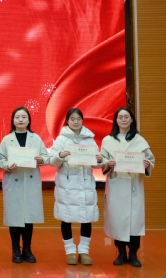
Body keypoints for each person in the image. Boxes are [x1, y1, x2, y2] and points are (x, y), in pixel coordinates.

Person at [101, 107, 155, 267]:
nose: (124, 120)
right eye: (120, 117)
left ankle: (133, 254)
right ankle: (121, 253)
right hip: (116, 185)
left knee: (134, 222)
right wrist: (108, 163)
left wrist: (147, 164)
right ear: (116, 120)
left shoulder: (140, 140)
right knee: (118, 221)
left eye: (127, 117)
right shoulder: (108, 141)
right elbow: (102, 160)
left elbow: (150, 160)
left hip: (133, 186)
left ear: (132, 120)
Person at [49, 108, 104, 266]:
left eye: (78, 119)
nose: (75, 121)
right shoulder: (61, 139)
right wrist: (60, 156)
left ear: (82, 120)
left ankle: (84, 251)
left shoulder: (89, 139)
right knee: (66, 218)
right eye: (72, 119)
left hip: (85, 184)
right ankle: (70, 252)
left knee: (86, 218)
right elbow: (52, 161)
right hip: (67, 185)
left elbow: (96, 163)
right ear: (67, 121)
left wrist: (99, 160)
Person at [0, 106, 49, 263]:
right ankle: (15, 250)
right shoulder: (7, 139)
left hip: (30, 182)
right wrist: (6, 165)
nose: (20, 119)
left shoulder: (36, 138)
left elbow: (46, 157)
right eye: (17, 117)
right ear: (13, 120)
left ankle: (27, 249)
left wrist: (41, 159)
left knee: (28, 217)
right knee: (14, 217)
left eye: (24, 117)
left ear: (29, 120)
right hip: (14, 180)